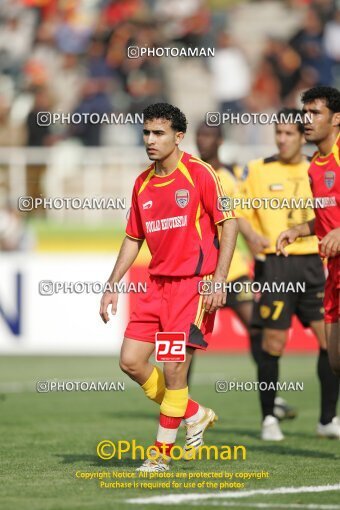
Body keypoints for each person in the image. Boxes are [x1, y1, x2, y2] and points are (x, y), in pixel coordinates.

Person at [99, 103, 238, 471]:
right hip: (154, 285)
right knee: (130, 362)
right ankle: (195, 413)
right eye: (146, 133)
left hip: (191, 287)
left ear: (178, 137)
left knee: (174, 368)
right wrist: (112, 283)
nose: (150, 140)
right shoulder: (142, 182)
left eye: (158, 133)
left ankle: (160, 455)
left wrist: (219, 280)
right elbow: (133, 237)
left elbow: (230, 224)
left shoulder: (200, 174)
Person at [238, 108, 339, 441]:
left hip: (314, 264)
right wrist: (252, 237)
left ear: (302, 135)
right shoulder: (258, 169)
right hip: (277, 266)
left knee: (330, 342)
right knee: (273, 342)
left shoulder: (319, 165)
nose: (282, 139)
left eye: (289, 133)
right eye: (277, 133)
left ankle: (327, 418)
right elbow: (236, 211)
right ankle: (269, 417)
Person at [195, 122, 297, 421]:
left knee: (257, 327)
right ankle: (180, 405)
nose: (204, 141)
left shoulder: (230, 175)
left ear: (220, 140)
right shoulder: (189, 175)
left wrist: (255, 245)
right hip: (199, 274)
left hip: (233, 271)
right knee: (187, 338)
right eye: (200, 135)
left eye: (209, 135)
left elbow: (238, 215)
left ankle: (271, 396)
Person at [277, 87, 340, 389]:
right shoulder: (315, 165)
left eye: (315, 113)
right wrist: (299, 230)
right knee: (336, 361)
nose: (307, 120)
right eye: (305, 113)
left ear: (337, 118)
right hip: (333, 272)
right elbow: (328, 216)